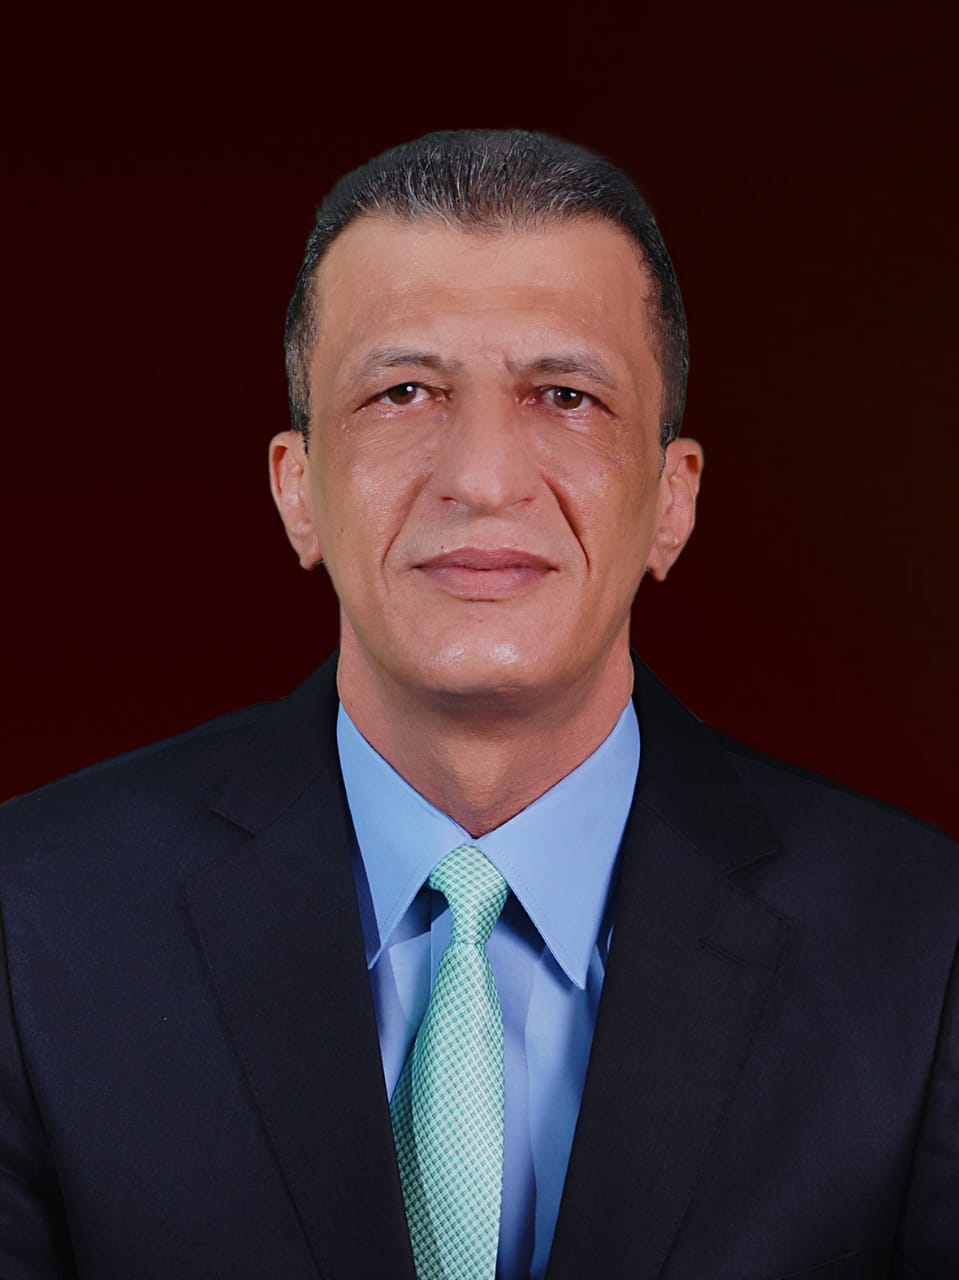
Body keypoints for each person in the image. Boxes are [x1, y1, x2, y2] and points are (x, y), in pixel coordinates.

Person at [0, 130, 956, 1280]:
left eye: (565, 394)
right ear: (297, 492)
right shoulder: (34, 923)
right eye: (403, 391)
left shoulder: (922, 945)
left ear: (671, 502)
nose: (482, 476)